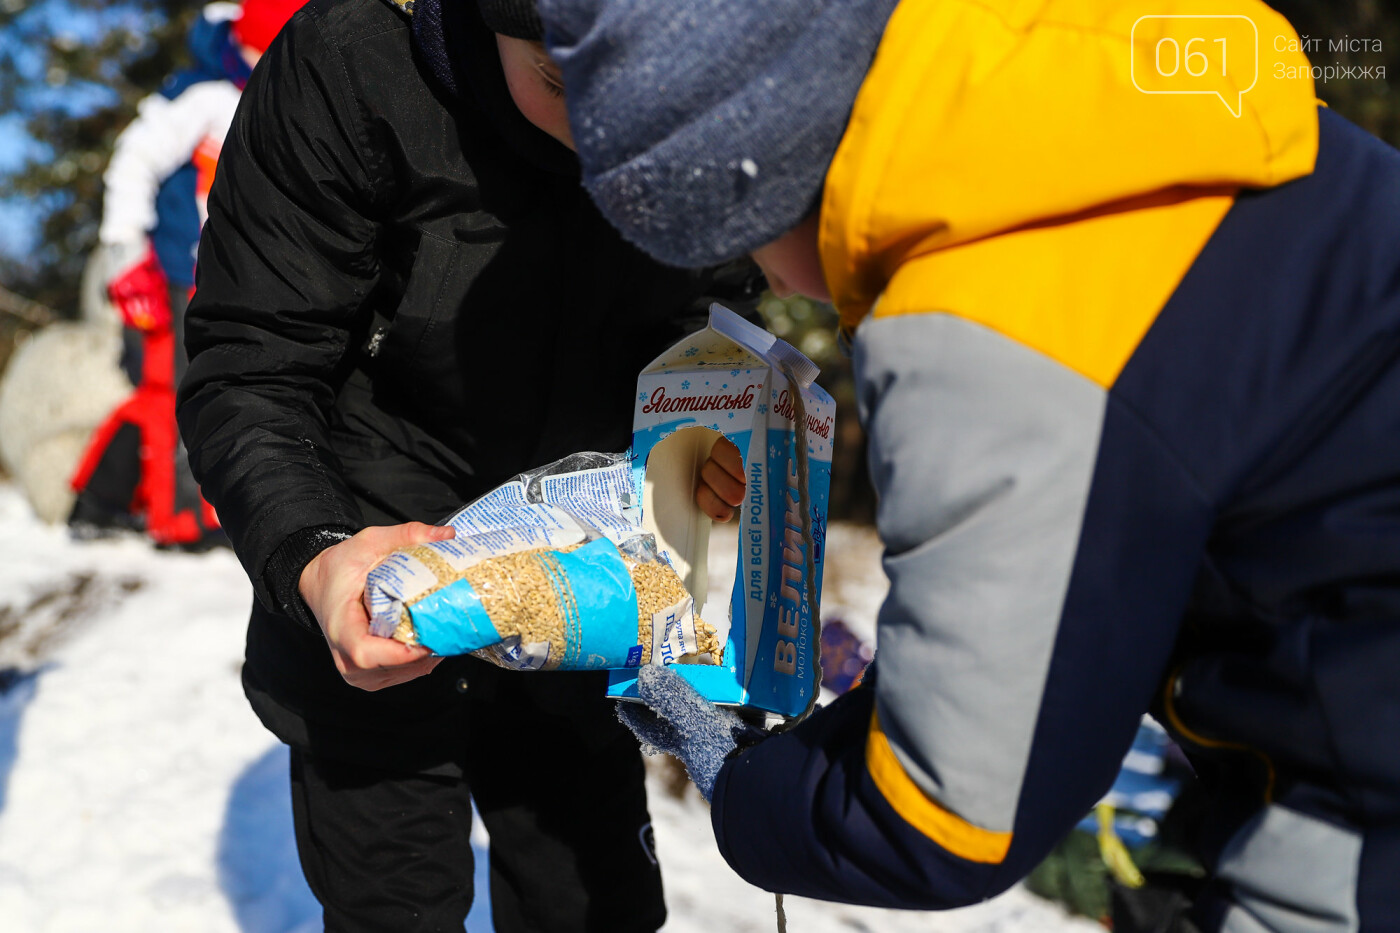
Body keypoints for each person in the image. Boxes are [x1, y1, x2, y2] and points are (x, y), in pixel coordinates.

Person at [537, 0, 1400, 928]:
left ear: (779, 164)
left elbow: (943, 815)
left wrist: (739, 782)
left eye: (745, 233)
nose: (779, 280)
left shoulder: (989, 313)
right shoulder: (1122, 104)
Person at [176, 0, 760, 929]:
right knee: (397, 903)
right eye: (565, 84)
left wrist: (709, 432)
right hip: (376, 577)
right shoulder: (353, 62)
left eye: (646, 100)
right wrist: (312, 551)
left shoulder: (710, 99)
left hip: (583, 589)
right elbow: (253, 365)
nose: (606, 136)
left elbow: (718, 308)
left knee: (596, 899)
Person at [70, 0, 304, 548]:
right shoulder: (203, 93)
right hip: (170, 268)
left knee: (189, 389)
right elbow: (133, 161)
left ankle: (100, 503)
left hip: (227, 280)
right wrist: (125, 254)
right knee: (176, 392)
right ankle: (182, 520)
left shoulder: (286, 103)